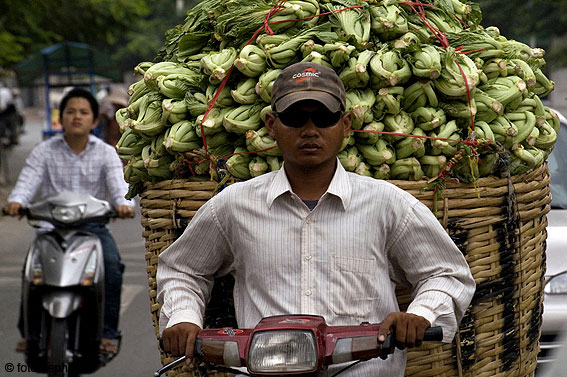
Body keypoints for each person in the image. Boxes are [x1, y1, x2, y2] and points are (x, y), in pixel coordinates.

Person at [156, 62, 476, 376]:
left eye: (324, 117)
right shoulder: (233, 206)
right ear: (271, 124)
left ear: (346, 124)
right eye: (295, 118)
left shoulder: (387, 204)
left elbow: (446, 272)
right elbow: (183, 268)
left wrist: (420, 314)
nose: (310, 130)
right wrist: (184, 316)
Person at [3, 87, 134, 356]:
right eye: (70, 111)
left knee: (112, 266)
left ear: (94, 121)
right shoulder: (44, 151)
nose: (77, 116)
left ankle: (108, 333)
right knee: (32, 272)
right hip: (51, 228)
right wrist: (16, 201)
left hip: (93, 229)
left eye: (84, 112)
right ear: (60, 118)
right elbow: (27, 182)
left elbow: (120, 186)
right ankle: (28, 334)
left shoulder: (106, 153)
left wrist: (124, 205)